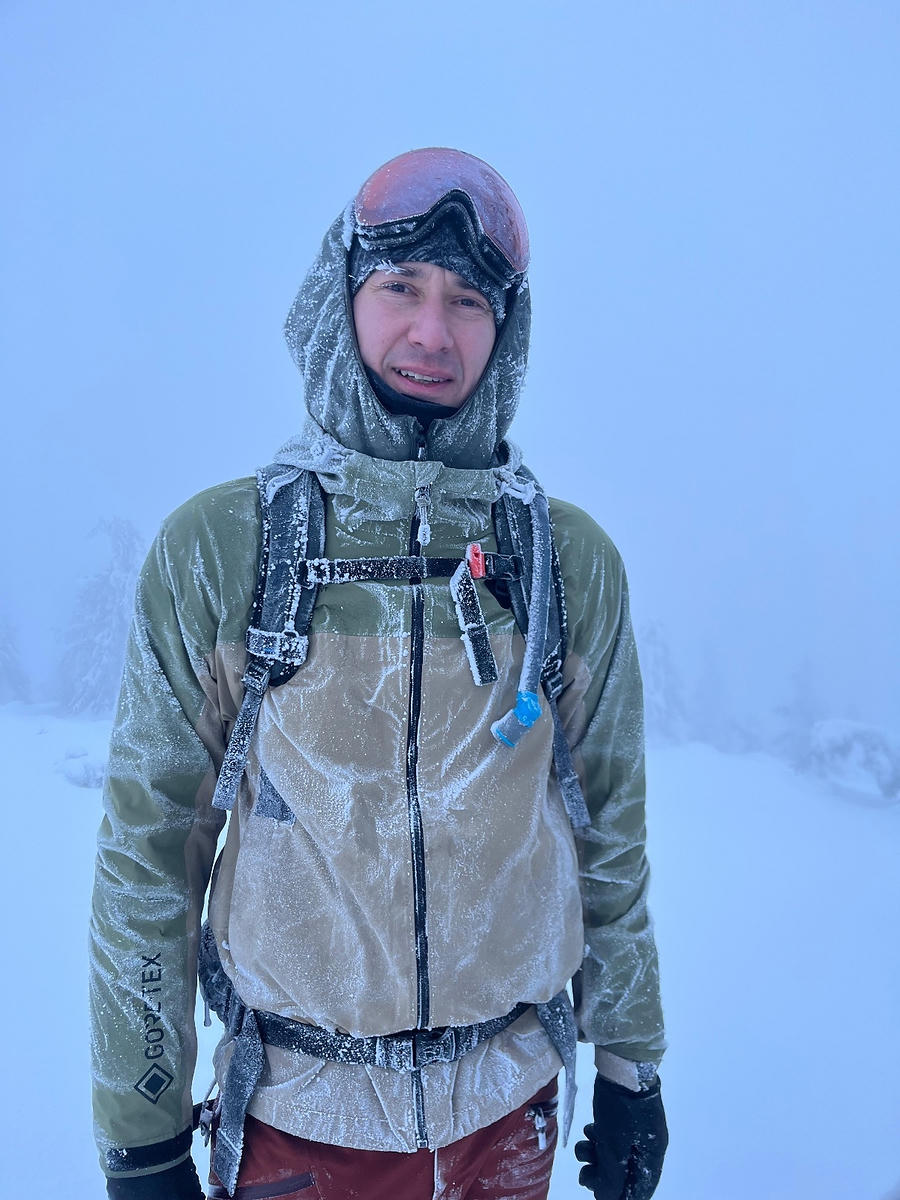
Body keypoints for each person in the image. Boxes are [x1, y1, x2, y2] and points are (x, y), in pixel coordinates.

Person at [90, 147, 668, 1200]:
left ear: (507, 329)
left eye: (468, 301)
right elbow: (148, 856)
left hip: (510, 1118)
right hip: (296, 1129)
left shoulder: (566, 564)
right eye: (402, 286)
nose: (433, 332)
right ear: (342, 295)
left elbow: (610, 836)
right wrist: (143, 1138)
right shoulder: (224, 550)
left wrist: (632, 1070)